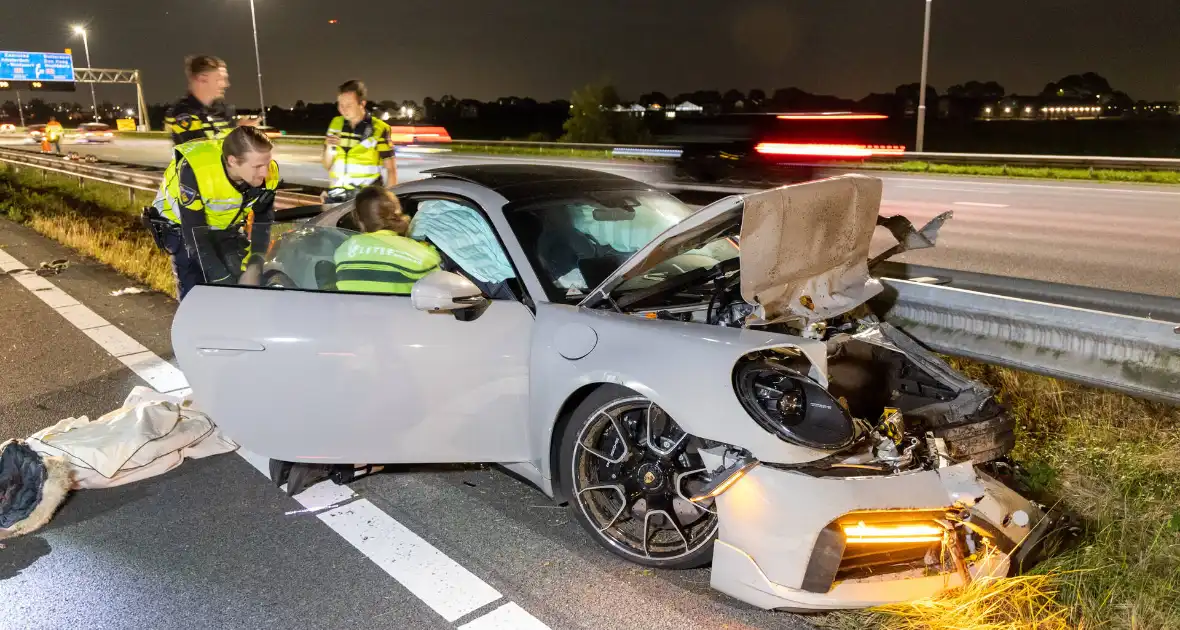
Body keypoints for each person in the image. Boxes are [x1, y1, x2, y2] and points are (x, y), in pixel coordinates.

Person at [147, 126, 280, 300]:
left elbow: (263, 222)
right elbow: (194, 236)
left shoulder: (268, 173)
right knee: (199, 293)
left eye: (268, 162)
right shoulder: (196, 170)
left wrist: (254, 266)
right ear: (232, 161)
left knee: (246, 283)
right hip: (182, 229)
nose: (265, 172)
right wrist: (222, 280)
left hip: (224, 227)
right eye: (257, 166)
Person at [333, 186, 439, 294]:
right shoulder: (423, 255)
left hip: (351, 310)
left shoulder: (343, 251)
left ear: (358, 220)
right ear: (398, 214)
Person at [321, 80, 396, 203]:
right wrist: (329, 148)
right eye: (340, 105)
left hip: (366, 200)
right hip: (337, 198)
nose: (343, 110)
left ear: (362, 104)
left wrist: (388, 201)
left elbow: (391, 170)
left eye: (349, 105)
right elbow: (327, 165)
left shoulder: (379, 128)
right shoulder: (335, 123)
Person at [163, 55, 259, 147]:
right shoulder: (182, 113)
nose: (226, 84)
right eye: (220, 79)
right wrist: (238, 132)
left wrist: (241, 129)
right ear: (202, 80)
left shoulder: (222, 111)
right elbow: (200, 154)